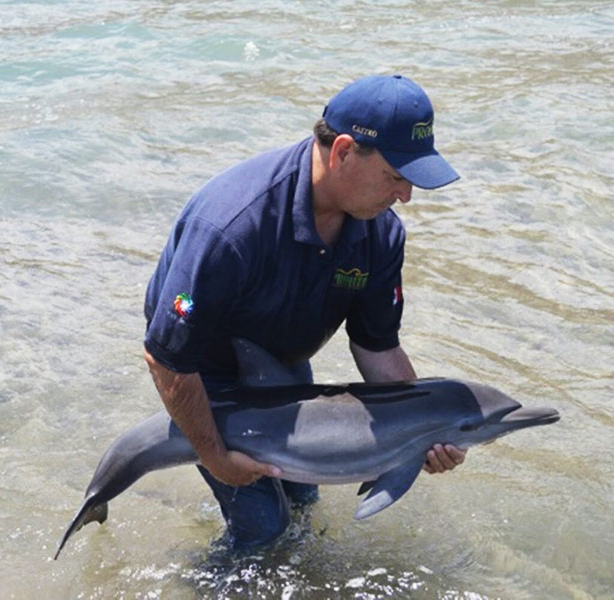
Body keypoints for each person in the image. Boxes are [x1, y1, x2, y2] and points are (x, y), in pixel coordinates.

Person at [143, 74, 466, 550]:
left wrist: (425, 429)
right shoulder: (231, 226)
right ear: (342, 152)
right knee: (264, 527)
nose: (406, 196)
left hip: (281, 362)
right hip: (199, 370)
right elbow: (166, 361)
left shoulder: (379, 234)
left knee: (303, 504)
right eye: (397, 176)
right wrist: (215, 456)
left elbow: (378, 349)